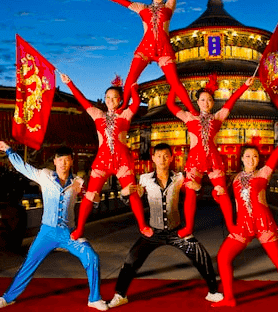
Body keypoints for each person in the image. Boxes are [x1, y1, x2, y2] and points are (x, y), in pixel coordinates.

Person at [0, 142, 107, 311]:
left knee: (92, 257)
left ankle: (94, 298)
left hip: (69, 233)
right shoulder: (44, 175)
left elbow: (91, 200)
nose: (63, 163)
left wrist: (95, 198)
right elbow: (23, 167)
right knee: (29, 263)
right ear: (55, 161)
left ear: (72, 162)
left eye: (67, 160)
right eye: (60, 160)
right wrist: (8, 150)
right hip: (47, 232)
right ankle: (7, 297)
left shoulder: (77, 182)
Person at [108, 143, 224, 308]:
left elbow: (193, 195)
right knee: (131, 260)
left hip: (176, 231)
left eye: (165, 156)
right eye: (158, 156)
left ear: (171, 158)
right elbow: (135, 198)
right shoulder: (145, 179)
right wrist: (124, 194)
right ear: (153, 158)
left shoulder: (179, 178)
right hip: (152, 232)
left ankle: (213, 292)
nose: (162, 159)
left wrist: (199, 189)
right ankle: (120, 295)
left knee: (202, 256)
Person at [91, 0, 197, 115]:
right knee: (131, 78)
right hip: (145, 49)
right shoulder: (143, 8)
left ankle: (192, 111)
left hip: (163, 50)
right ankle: (122, 107)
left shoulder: (169, 6)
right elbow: (122, 0)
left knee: (175, 82)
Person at [211, 130, 278, 308]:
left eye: (255, 156)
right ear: (241, 158)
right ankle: (229, 298)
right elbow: (223, 198)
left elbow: (276, 154)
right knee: (223, 258)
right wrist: (216, 193)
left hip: (264, 224)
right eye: (247, 156)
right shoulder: (234, 178)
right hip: (243, 226)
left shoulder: (263, 173)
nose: (251, 159)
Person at [59, 73, 153, 240]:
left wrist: (133, 87)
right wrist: (69, 83)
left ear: (120, 100)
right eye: (107, 97)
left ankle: (142, 225)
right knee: (89, 195)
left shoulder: (125, 115)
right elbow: (82, 100)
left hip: (122, 162)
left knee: (131, 192)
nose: (110, 100)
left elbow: (137, 103)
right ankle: (80, 229)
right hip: (102, 162)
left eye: (114, 98)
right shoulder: (97, 114)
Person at [167, 75, 254, 238]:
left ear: (213, 103)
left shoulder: (218, 117)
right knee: (191, 193)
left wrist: (245, 86)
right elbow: (170, 105)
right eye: (202, 100)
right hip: (194, 160)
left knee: (222, 192)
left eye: (209, 100)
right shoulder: (188, 116)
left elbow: (231, 102)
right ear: (197, 102)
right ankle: (188, 228)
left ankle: (231, 226)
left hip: (214, 159)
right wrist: (174, 85)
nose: (206, 103)